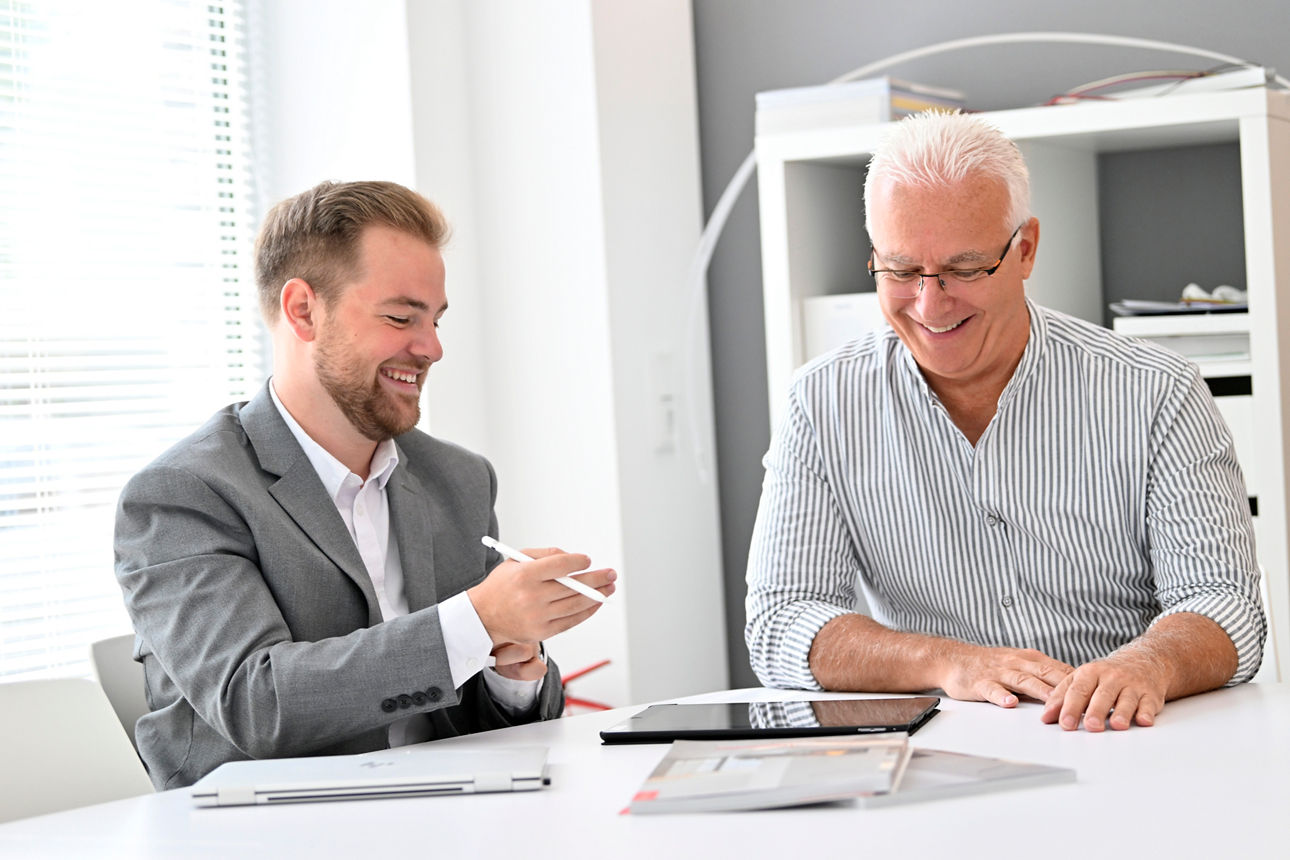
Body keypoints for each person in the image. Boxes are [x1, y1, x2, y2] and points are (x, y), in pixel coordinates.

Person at [745, 110, 1265, 733]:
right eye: (903, 270)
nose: (930, 304)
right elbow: (780, 619)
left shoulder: (1157, 391)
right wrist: (944, 660)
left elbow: (1224, 604)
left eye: (965, 269)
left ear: (1025, 250)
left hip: (1121, 735)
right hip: (939, 747)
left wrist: (1148, 664)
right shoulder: (822, 401)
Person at [114, 180, 616, 789]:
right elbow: (256, 703)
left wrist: (513, 665)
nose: (431, 347)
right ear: (303, 310)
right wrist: (477, 621)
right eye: (401, 316)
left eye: (434, 320)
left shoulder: (459, 481)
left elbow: (481, 728)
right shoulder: (184, 493)